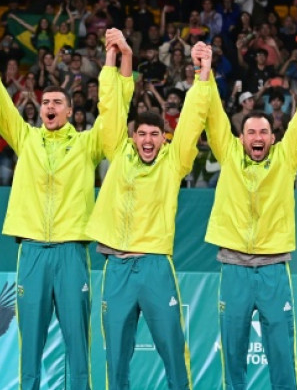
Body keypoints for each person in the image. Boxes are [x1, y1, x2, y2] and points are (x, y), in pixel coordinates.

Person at [0, 27, 134, 390]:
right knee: (31, 346)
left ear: (71, 111)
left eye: (58, 103)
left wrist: (115, 60)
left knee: (77, 343)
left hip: (73, 251)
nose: (51, 107)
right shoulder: (25, 139)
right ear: (39, 110)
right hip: (33, 252)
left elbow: (114, 113)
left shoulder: (88, 145)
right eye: (46, 103)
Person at [86, 42, 212, 390]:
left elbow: (191, 120)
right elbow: (110, 107)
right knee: (115, 357)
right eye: (141, 133)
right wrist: (113, 58)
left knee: (173, 351)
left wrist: (203, 71)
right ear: (132, 137)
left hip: (155, 265)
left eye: (155, 134)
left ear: (163, 139)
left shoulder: (174, 162)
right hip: (117, 267)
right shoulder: (118, 152)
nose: (147, 139)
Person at [204, 38, 297, 390]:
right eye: (251, 132)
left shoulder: (286, 161)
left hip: (274, 268)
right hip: (233, 267)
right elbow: (213, 114)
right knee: (233, 355)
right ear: (240, 138)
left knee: (282, 356)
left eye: (263, 132)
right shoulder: (228, 156)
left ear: (273, 138)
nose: (257, 136)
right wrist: (205, 71)